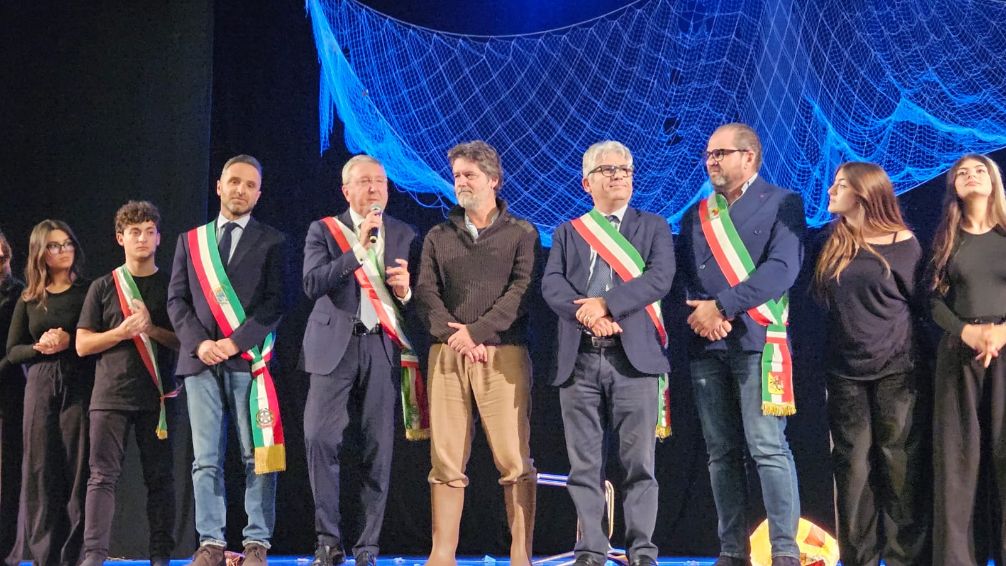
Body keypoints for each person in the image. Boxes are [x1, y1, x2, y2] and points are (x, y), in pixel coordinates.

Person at [541, 141, 674, 566]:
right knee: (584, 467)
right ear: (587, 183)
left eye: (625, 170)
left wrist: (606, 304)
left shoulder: (653, 226)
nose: (618, 176)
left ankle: (642, 551)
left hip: (634, 361)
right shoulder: (568, 232)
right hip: (579, 358)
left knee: (639, 464)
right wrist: (588, 315)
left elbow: (660, 278)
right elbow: (552, 285)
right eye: (607, 170)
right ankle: (591, 549)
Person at [680, 123, 806, 566]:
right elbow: (686, 279)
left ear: (749, 156)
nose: (711, 162)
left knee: (767, 447)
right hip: (708, 346)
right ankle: (732, 550)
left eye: (721, 153)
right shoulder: (694, 215)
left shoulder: (782, 202)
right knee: (720, 453)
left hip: (757, 342)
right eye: (708, 155)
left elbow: (782, 269)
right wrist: (705, 316)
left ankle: (784, 551)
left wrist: (723, 307)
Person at [416, 140, 538, 566]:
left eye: (470, 175)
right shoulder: (437, 235)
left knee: (513, 458)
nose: (461, 182)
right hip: (448, 355)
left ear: (494, 180)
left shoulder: (522, 233)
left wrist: (478, 333)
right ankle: (442, 554)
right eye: (457, 176)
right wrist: (458, 338)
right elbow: (426, 293)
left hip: (502, 354)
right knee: (445, 458)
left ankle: (520, 555)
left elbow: (521, 291)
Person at [301, 155, 424, 566]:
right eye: (365, 181)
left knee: (378, 448)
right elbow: (312, 283)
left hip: (380, 346)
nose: (375, 189)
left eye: (381, 182)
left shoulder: (404, 232)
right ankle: (327, 542)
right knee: (320, 439)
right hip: (332, 346)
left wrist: (406, 292)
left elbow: (417, 302)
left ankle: (367, 547)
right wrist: (357, 250)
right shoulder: (323, 230)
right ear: (346, 190)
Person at [167, 155, 286, 566]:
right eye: (234, 181)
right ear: (219, 186)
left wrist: (235, 343)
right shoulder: (190, 241)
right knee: (205, 460)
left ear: (259, 193)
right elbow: (176, 300)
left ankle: (256, 543)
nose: (241, 190)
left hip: (248, 362)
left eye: (250, 185)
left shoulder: (273, 241)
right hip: (200, 362)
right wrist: (199, 343)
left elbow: (275, 304)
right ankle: (211, 543)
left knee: (258, 456)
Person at [813, 163, 929, 565]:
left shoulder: (903, 243)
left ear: (864, 193)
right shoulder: (832, 242)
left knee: (899, 466)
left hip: (897, 371)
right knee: (853, 470)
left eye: (841, 185)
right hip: (845, 374)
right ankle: (859, 558)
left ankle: (903, 558)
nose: (831, 190)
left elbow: (921, 306)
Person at [76, 201, 179, 566]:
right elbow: (82, 344)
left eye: (150, 232)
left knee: (160, 480)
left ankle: (160, 556)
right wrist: (120, 332)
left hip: (158, 397)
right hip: (110, 396)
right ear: (120, 238)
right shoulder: (104, 286)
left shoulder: (172, 286)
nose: (142, 239)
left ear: (159, 238)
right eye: (135, 232)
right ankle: (94, 556)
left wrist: (151, 328)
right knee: (101, 477)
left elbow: (185, 342)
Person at [929, 153, 1006, 565]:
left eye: (979, 171)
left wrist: (1001, 332)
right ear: (954, 188)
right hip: (960, 356)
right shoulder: (946, 240)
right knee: (958, 462)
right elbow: (932, 301)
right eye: (962, 173)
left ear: (993, 181)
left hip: (1004, 350)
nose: (971, 176)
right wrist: (966, 331)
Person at [5, 219, 93, 566]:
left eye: (67, 243)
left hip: (79, 381)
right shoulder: (30, 297)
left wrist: (71, 341)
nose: (63, 250)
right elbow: (13, 351)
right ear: (41, 252)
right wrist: (39, 347)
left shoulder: (88, 291)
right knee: (41, 471)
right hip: (40, 383)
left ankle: (74, 556)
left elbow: (98, 339)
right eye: (54, 246)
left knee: (77, 471)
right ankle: (44, 557)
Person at [0, 229, 26, 564]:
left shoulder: (20, 293)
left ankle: (7, 554)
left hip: (9, 394)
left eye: (2, 257)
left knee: (7, 479)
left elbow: (17, 347)